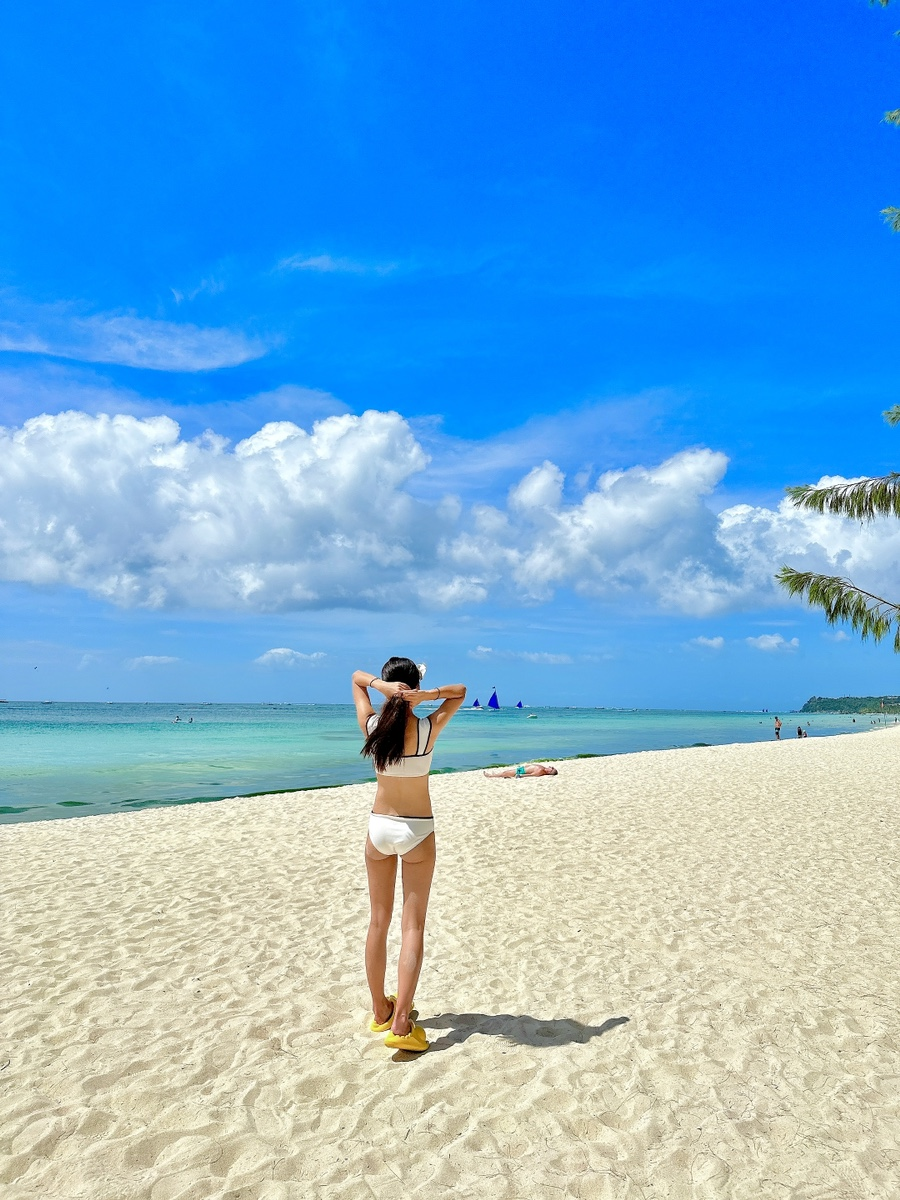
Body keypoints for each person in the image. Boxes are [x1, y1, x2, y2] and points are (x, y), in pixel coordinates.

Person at [352, 658, 466, 1054]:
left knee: (378, 922)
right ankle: (401, 1022)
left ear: (387, 684)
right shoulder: (427, 728)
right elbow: (461, 692)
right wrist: (428, 695)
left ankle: (379, 1010)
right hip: (416, 828)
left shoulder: (372, 728)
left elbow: (355, 679)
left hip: (378, 827)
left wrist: (382, 689)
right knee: (412, 926)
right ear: (415, 687)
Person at [483, 763, 559, 778]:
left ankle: (490, 776)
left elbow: (532, 775)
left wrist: (521, 776)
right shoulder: (543, 769)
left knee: (505, 773)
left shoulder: (540, 772)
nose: (551, 766)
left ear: (550, 772)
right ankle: (495, 774)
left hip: (520, 772)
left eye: (552, 768)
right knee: (506, 772)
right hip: (521, 769)